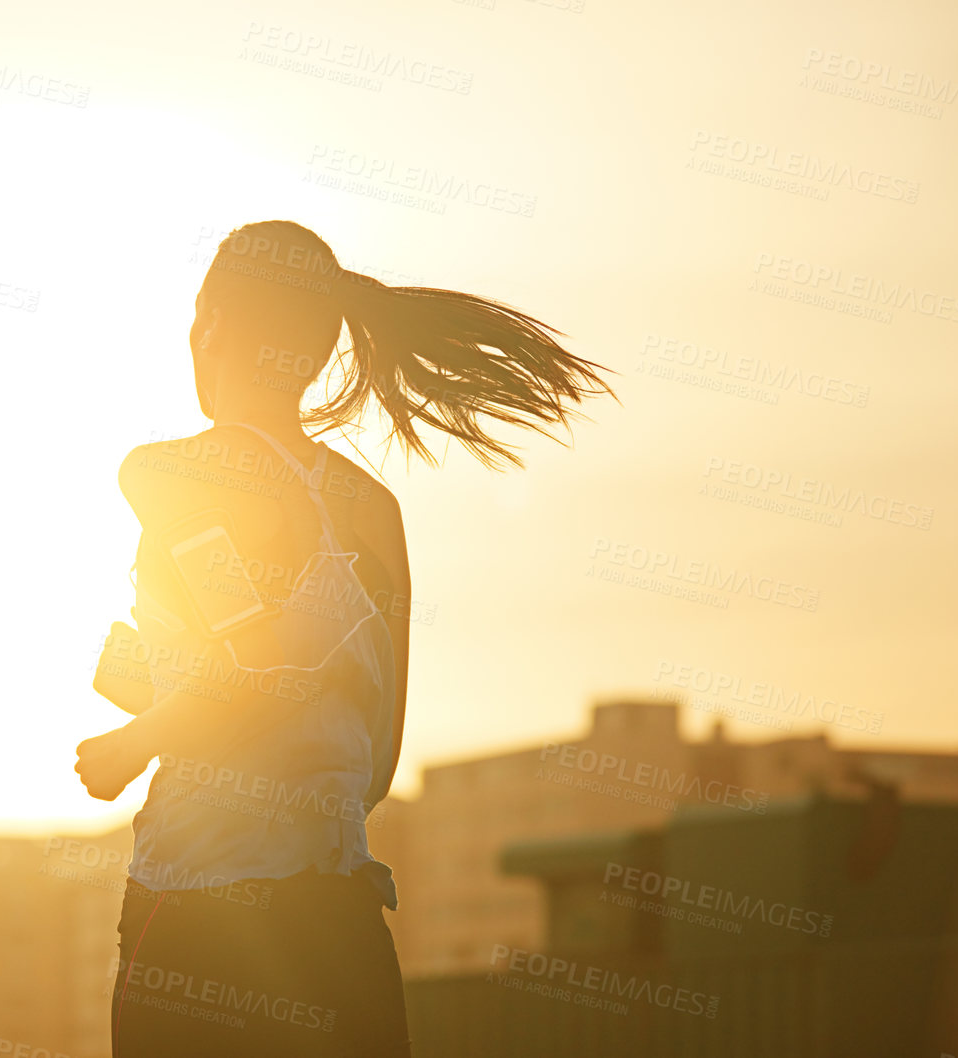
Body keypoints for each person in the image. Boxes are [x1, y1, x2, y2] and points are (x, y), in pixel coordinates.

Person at [74, 219, 613, 1056]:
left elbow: (256, 668)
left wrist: (136, 737)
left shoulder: (171, 472)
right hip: (341, 927)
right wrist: (167, 690)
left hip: (200, 915)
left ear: (207, 326)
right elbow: (369, 759)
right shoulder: (373, 511)